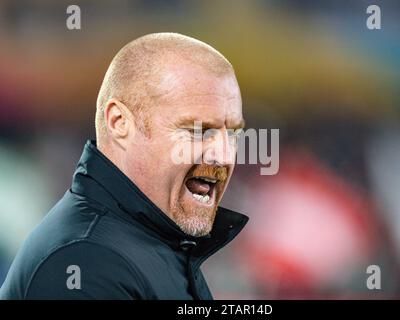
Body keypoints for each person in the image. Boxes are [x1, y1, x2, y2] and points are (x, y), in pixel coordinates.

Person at [0, 33, 248, 299]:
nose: (223, 155)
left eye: (232, 133)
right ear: (119, 123)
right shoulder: (86, 263)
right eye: (199, 130)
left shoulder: (156, 244)